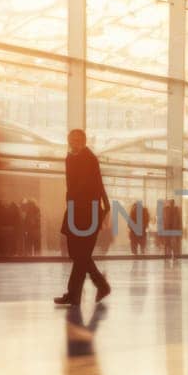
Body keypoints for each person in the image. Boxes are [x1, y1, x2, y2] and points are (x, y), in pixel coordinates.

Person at [56, 129, 111, 306]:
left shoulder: (88, 158)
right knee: (77, 254)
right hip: (76, 210)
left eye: (78, 139)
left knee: (80, 255)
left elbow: (93, 184)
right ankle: (101, 285)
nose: (74, 142)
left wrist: (105, 206)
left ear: (85, 141)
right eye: (72, 139)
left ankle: (74, 295)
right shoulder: (71, 157)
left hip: (88, 212)